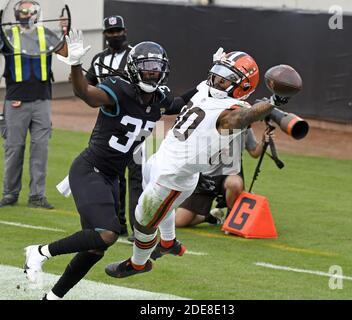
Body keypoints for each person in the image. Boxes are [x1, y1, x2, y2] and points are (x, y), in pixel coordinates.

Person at [23, 29, 194, 300]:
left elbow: (179, 103)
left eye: (156, 68)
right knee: (108, 234)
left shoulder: (158, 99)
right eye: (146, 68)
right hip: (90, 169)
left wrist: (210, 84)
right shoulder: (119, 90)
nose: (151, 73)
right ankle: (40, 251)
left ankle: (53, 298)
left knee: (95, 248)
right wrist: (76, 64)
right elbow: (86, 94)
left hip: (111, 177)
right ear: (134, 70)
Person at [105, 48, 289, 278]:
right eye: (218, 73)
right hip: (163, 158)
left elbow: (243, 117)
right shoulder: (208, 90)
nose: (216, 80)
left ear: (241, 87)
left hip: (175, 176)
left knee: (143, 219)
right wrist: (219, 67)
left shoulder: (233, 111)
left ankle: (138, 263)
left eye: (225, 79)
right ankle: (169, 242)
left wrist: (273, 102)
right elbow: (206, 85)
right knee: (153, 192)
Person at [0, 0, 67, 209]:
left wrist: (65, 31)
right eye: (22, 9)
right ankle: (10, 194)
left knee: (41, 150)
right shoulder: (8, 33)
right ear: (16, 12)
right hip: (16, 99)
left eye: (29, 9)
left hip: (42, 100)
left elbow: (64, 53)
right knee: (14, 148)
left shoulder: (45, 33)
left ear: (36, 13)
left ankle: (37, 196)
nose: (25, 12)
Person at [85, 15, 136, 238]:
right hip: (109, 124)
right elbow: (88, 87)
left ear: (125, 31)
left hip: (135, 123)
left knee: (137, 176)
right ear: (105, 34)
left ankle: (138, 228)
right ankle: (117, 222)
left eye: (119, 31)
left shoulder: (135, 54)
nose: (116, 35)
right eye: (111, 32)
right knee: (111, 175)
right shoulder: (98, 60)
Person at [175, 127, 275, 228]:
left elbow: (254, 152)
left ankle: (232, 218)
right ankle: (212, 217)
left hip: (230, 175)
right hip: (205, 177)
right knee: (179, 221)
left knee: (234, 183)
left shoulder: (244, 125)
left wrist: (263, 141)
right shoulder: (208, 123)